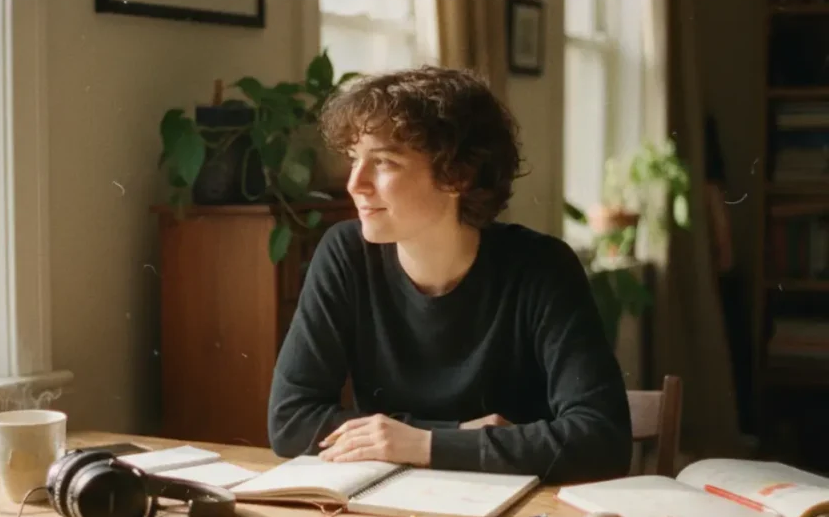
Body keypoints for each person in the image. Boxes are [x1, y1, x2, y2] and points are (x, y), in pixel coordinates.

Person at [266, 66, 632, 484]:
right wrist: (449, 436)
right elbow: (291, 421)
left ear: (457, 174)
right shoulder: (346, 254)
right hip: (386, 507)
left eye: (384, 162)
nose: (355, 183)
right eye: (354, 159)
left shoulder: (542, 268)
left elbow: (604, 441)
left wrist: (421, 444)